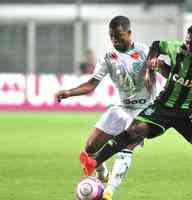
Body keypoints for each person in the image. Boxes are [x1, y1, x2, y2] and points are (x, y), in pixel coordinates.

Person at [79, 24, 192, 199]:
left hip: (191, 112)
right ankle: (94, 162)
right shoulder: (177, 49)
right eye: (186, 42)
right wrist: (151, 64)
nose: (188, 46)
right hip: (164, 107)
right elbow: (156, 45)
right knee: (134, 130)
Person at [55, 15, 163, 200]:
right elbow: (91, 84)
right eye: (111, 36)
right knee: (90, 147)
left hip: (146, 111)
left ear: (129, 33)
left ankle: (108, 191)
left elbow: (161, 63)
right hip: (122, 108)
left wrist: (153, 70)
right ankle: (101, 173)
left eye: (118, 36)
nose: (114, 40)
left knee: (127, 146)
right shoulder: (108, 57)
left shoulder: (145, 51)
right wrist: (69, 93)